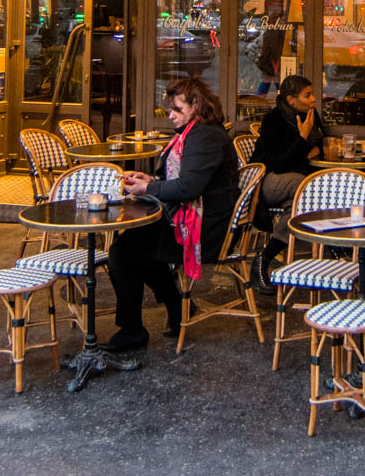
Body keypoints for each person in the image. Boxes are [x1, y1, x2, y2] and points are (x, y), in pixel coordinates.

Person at [100, 77, 242, 354]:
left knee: (123, 251)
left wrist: (147, 188)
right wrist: (151, 180)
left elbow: (188, 187)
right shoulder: (199, 133)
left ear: (195, 106)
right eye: (170, 109)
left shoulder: (205, 137)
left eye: (177, 109)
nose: (170, 115)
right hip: (198, 220)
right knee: (136, 247)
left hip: (207, 231)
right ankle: (176, 308)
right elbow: (184, 181)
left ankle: (132, 330)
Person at [249, 75, 324, 275]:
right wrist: (302, 138)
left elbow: (320, 144)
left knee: (297, 205)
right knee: (308, 184)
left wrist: (310, 147)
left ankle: (264, 258)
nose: (313, 99)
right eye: (307, 95)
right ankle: (335, 246)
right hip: (266, 180)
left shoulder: (310, 114)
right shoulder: (273, 120)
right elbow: (280, 164)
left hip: (294, 181)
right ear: (291, 100)